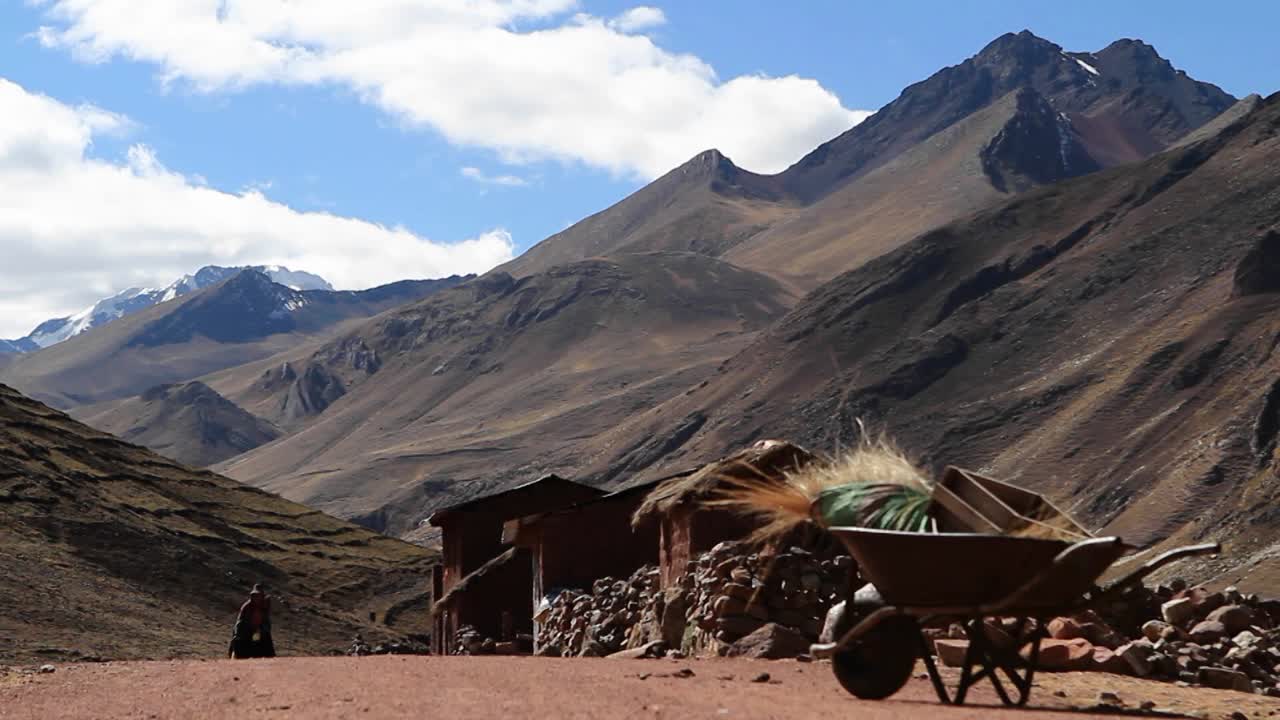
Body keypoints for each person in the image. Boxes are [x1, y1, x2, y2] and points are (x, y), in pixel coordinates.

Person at [228, 584, 276, 659]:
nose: (256, 598)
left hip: (258, 631)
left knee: (264, 640)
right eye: (254, 595)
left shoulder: (264, 606)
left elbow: (266, 622)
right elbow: (240, 623)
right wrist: (238, 634)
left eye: (258, 595)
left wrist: (262, 629)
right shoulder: (247, 606)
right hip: (246, 630)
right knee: (238, 642)